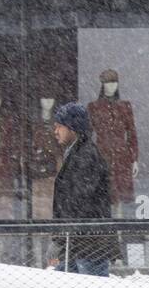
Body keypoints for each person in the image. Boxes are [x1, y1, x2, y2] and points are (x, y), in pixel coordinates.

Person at [47, 101, 117, 276]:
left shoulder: (85, 156)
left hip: (87, 243)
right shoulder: (76, 153)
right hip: (78, 241)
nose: (55, 131)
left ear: (73, 128)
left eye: (59, 126)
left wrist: (62, 235)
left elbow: (80, 201)